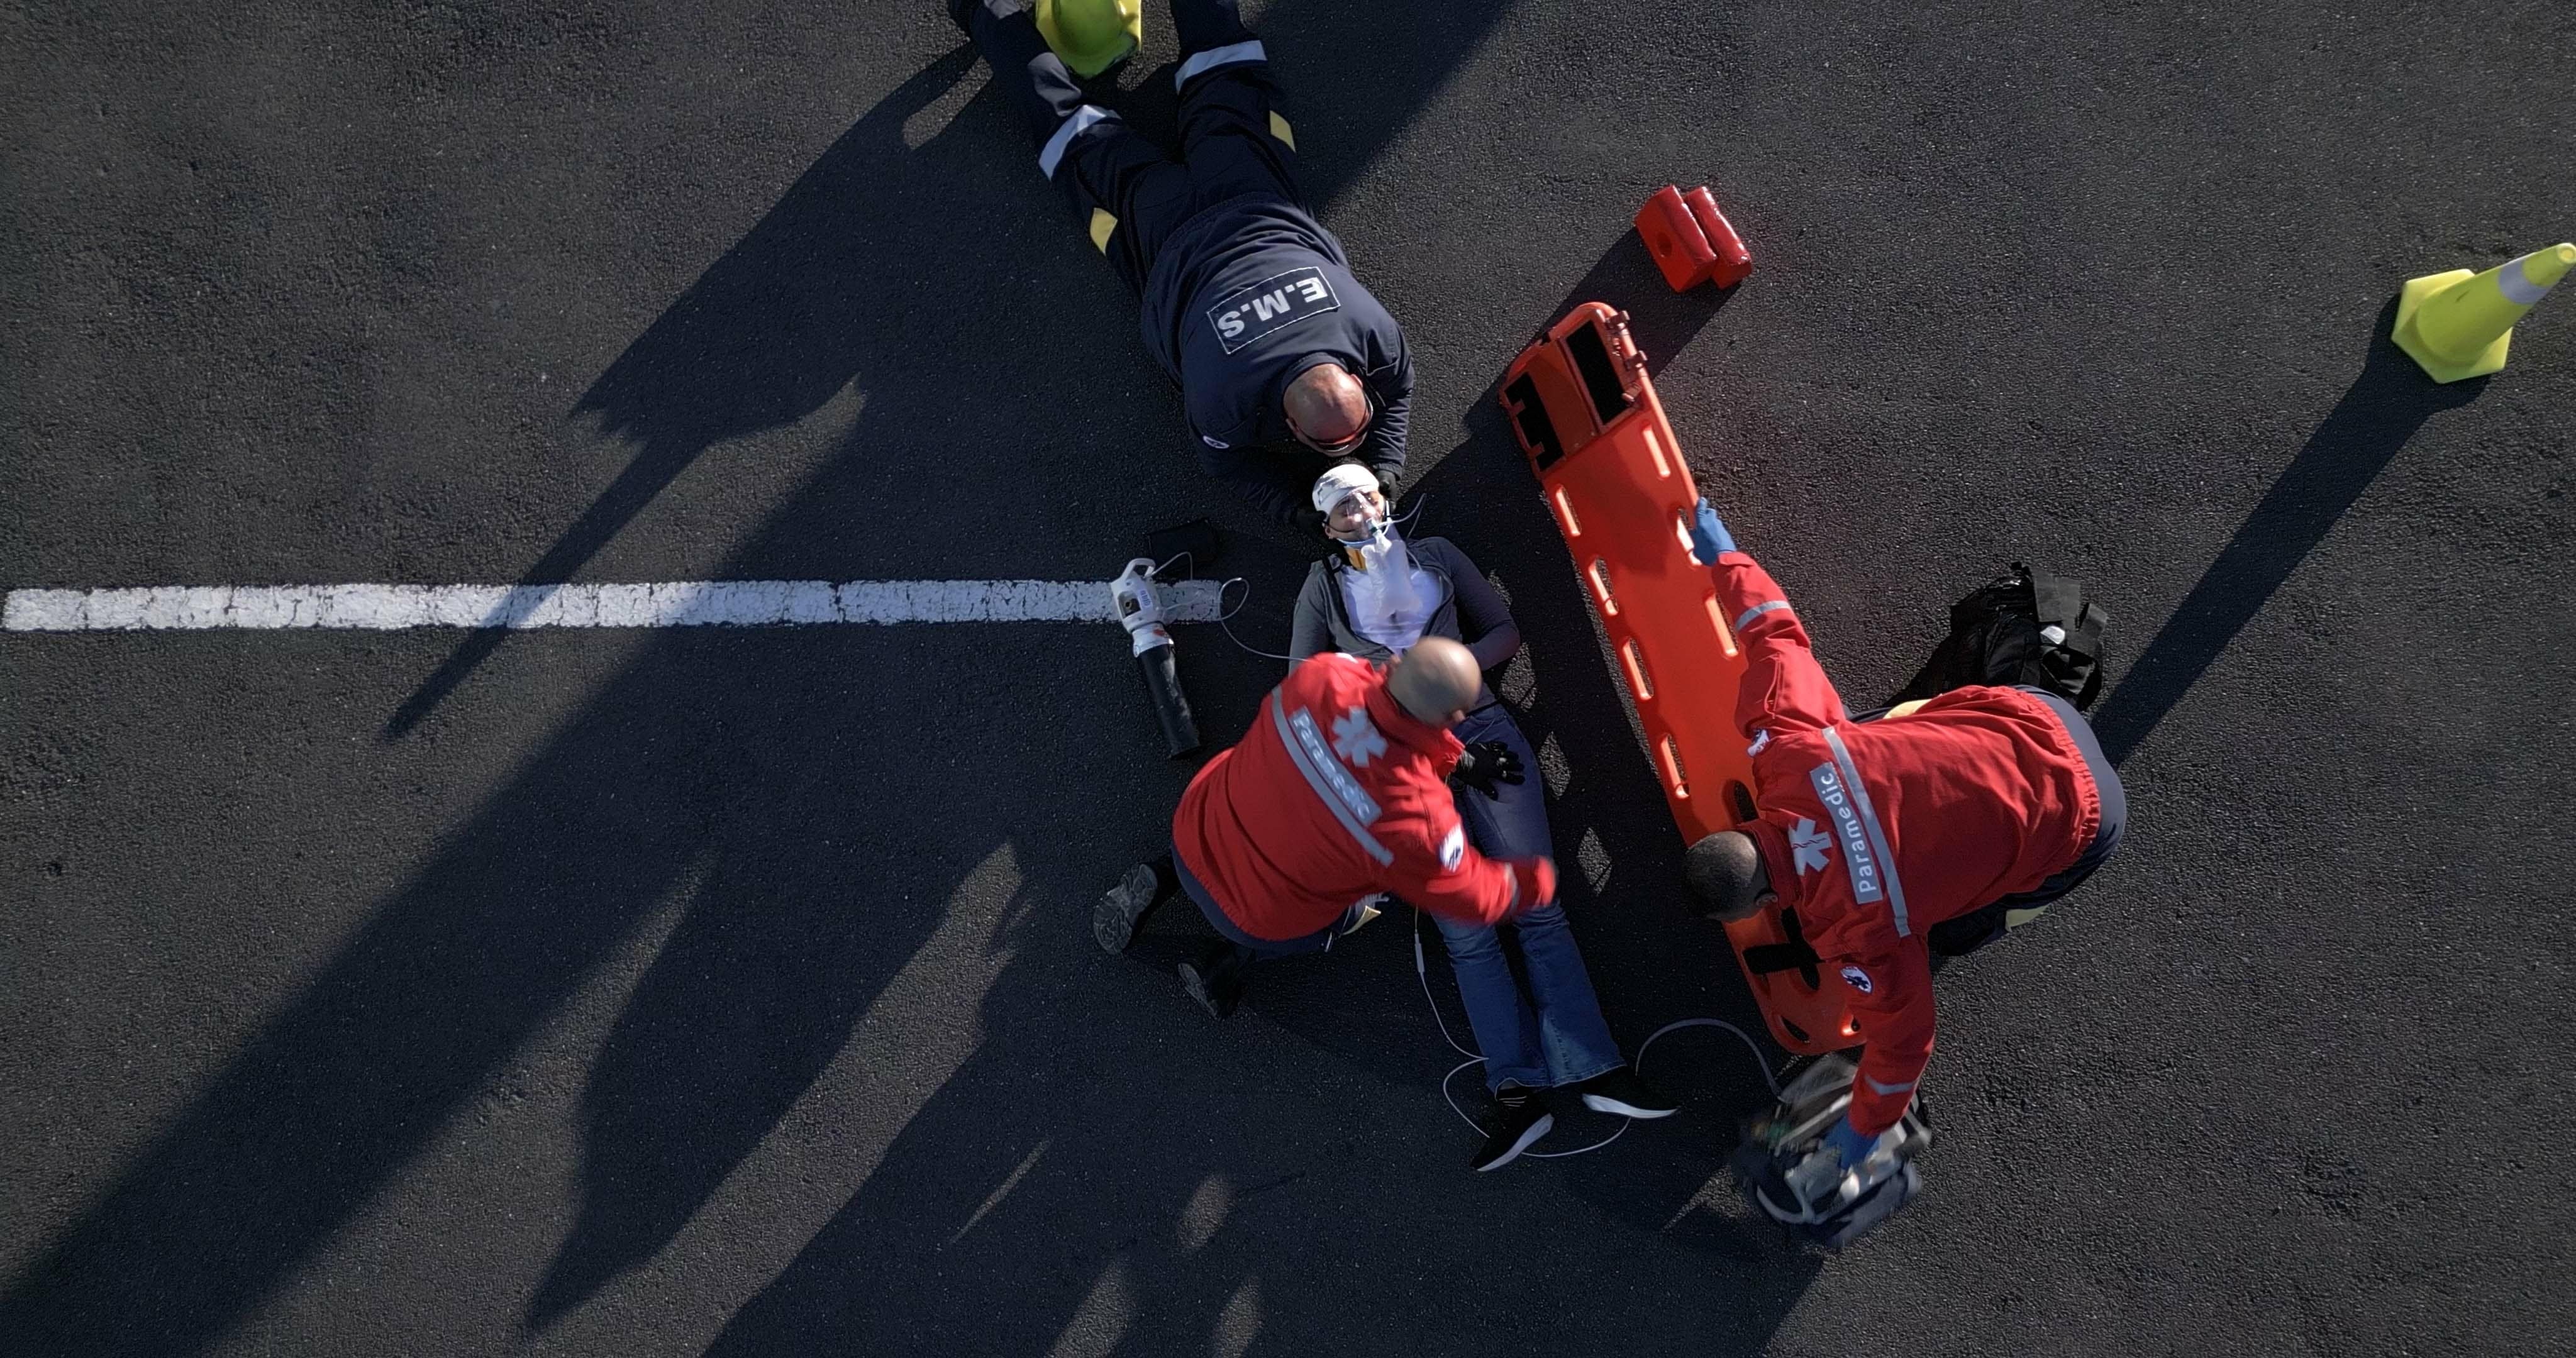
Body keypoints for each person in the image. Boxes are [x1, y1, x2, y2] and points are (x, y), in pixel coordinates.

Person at [1677, 499, 2128, 1173]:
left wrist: (1861, 1133)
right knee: (1856, 730)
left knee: (1956, 930)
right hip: (2037, 716)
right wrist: (1725, 557)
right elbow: (1773, 635)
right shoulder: (1788, 751)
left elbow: (1904, 1047)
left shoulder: (1856, 934)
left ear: (1761, 905)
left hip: (2090, 815)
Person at [1095, 634, 1611, 1170]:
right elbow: (1472, 894)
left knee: (1273, 795)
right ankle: (1225, 961)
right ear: (1455, 717)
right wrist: (1535, 882)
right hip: (1250, 915)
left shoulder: (1324, 676)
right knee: (1367, 901)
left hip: (1197, 826)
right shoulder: (1418, 816)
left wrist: (1449, 758)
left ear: (1399, 664)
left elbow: (1372, 705)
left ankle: (1163, 876)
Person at [1282, 463, 1674, 1167]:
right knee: (1466, 934)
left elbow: (1504, 631)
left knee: (1538, 906)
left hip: (1482, 730)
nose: (1361, 512)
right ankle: (1519, 1092)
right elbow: (1303, 684)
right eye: (1343, 508)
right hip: (1401, 761)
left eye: (1367, 497)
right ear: (1327, 527)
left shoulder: (1437, 555)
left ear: (1384, 497)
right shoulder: (1323, 586)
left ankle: (1593, 1069)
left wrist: (1449, 666)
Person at [952, 0, 1412, 533]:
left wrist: (1385, 462)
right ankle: (984, 8)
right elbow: (1229, 466)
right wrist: (1303, 509)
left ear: (1354, 375)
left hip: (1251, 188)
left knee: (1224, 60)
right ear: (1289, 424)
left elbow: (1398, 386)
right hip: (1160, 232)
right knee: (1068, 128)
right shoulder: (1223, 399)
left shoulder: (1372, 331)